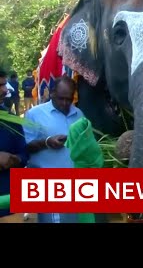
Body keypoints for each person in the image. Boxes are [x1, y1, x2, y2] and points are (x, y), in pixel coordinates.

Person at [23, 75, 85, 223]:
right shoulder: (34, 114)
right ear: (52, 93)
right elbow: (25, 147)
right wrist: (46, 142)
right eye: (61, 98)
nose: (65, 103)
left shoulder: (79, 115)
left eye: (69, 99)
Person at [0, 70, 28, 222]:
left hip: (9, 205)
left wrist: (13, 159)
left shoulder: (10, 119)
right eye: (0, 85)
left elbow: (24, 154)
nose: (5, 90)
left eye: (4, 84)